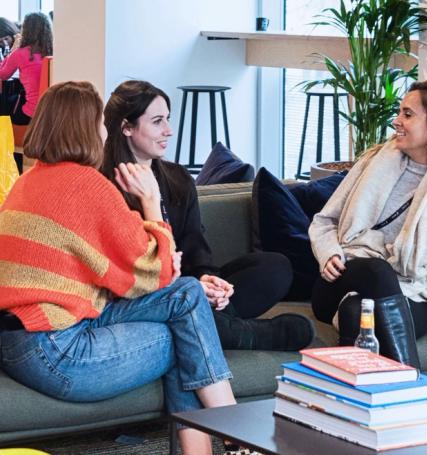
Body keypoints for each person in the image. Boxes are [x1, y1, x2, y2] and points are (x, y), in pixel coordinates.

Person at [0, 81, 237, 454]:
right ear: (84, 127)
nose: (104, 130)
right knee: (185, 336)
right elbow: (154, 273)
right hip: (55, 351)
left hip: (22, 339)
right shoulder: (86, 184)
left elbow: (151, 276)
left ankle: (225, 440)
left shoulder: (27, 181)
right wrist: (150, 201)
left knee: (188, 294)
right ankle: (236, 434)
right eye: (99, 122)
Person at [101, 80, 315, 352]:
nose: (169, 130)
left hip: (189, 287)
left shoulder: (177, 178)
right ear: (127, 127)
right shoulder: (102, 185)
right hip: (141, 296)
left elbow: (195, 245)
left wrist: (207, 281)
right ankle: (237, 333)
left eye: (168, 119)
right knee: (175, 302)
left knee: (275, 267)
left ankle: (205, 322)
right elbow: (126, 272)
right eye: (157, 122)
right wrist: (187, 289)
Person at [309, 78, 427, 369]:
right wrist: (329, 253)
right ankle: (413, 383)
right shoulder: (374, 162)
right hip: (345, 275)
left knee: (356, 313)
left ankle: (352, 402)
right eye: (399, 112)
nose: (396, 121)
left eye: (408, 114)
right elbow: (324, 220)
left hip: (416, 288)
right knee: (375, 269)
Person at [0, 11, 52, 125]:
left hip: (28, 112)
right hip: (51, 111)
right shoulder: (52, 51)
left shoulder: (21, 52)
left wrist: (13, 51)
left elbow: (2, 75)